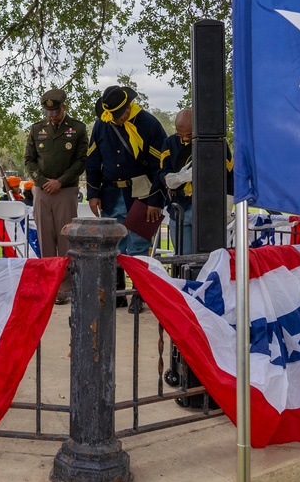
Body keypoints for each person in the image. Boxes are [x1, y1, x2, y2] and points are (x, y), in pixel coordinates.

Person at [85, 85, 169, 313]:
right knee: (115, 247)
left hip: (143, 194)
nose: (118, 117)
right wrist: (93, 195)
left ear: (129, 106)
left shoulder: (150, 124)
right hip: (111, 195)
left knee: (139, 247)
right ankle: (117, 295)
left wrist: (155, 200)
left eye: (120, 112)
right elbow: (93, 161)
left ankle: (140, 295)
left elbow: (161, 166)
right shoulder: (102, 124)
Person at [24, 88, 87, 304]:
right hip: (42, 191)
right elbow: (29, 160)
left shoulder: (77, 129)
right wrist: (43, 182)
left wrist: (60, 181)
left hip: (66, 190)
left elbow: (81, 161)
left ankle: (66, 286)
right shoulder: (36, 129)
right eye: (47, 113)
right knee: (45, 238)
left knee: (65, 239)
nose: (51, 117)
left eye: (55, 112)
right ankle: (48, 284)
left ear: (64, 108)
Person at [160, 108, 234, 255]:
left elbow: (227, 176)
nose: (185, 139)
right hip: (180, 204)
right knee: (182, 256)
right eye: (180, 134)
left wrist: (225, 208)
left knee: (208, 255)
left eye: (188, 134)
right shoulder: (169, 143)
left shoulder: (217, 143)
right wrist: (182, 177)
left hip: (207, 205)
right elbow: (163, 174)